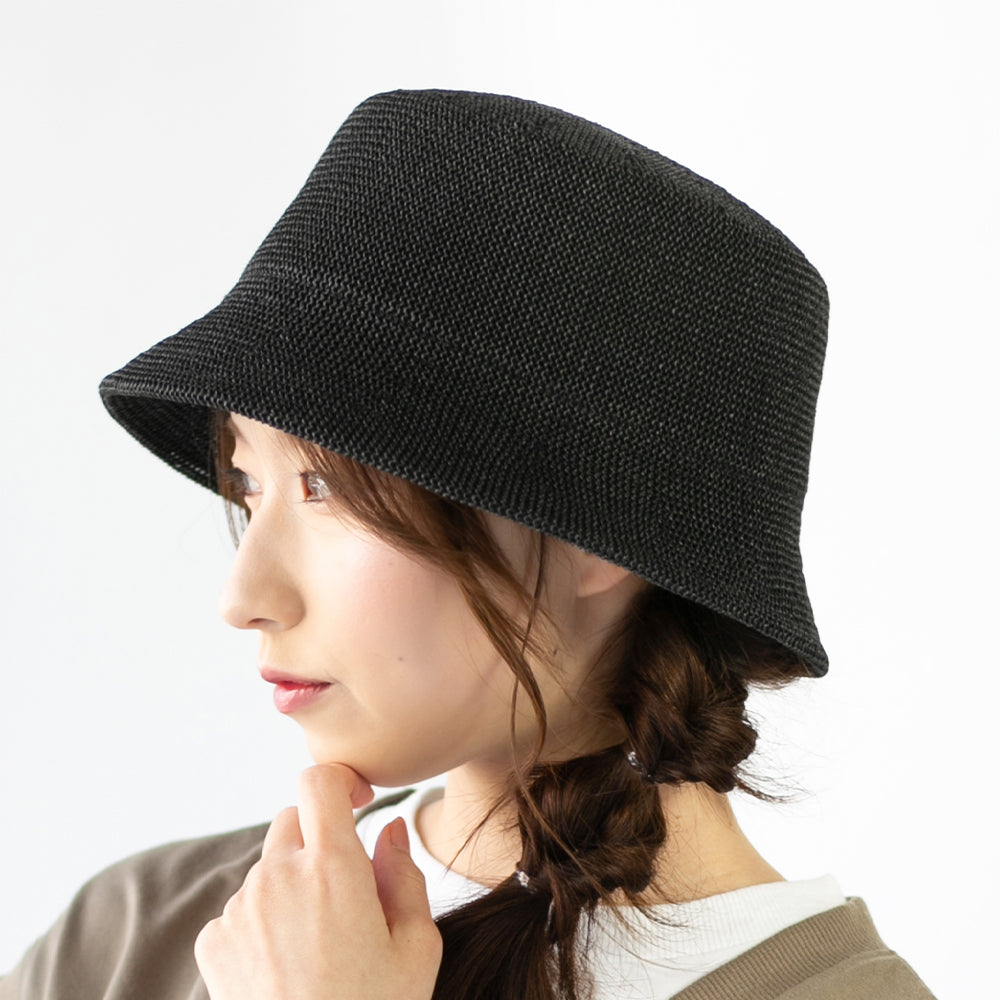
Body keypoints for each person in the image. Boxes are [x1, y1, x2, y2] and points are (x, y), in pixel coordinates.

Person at [0, 89, 935, 1000]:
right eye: (249, 486)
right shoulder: (141, 932)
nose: (243, 596)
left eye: (326, 487)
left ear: (593, 532)